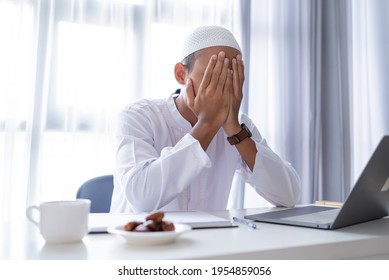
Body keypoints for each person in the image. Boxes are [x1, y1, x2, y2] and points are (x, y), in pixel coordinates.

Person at [110, 25, 300, 213]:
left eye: (231, 76)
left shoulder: (239, 126)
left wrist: (235, 130)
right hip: (141, 240)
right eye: (212, 75)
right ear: (180, 74)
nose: (222, 85)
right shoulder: (138, 117)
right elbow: (142, 198)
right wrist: (207, 125)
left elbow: (289, 195)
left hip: (208, 242)